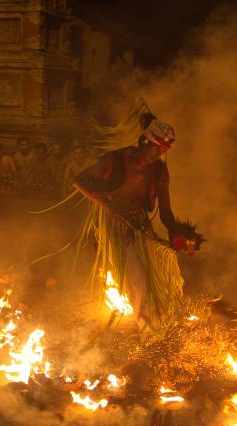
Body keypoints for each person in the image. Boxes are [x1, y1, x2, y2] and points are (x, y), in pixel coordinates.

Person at [73, 110, 203, 328]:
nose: (158, 154)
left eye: (162, 150)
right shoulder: (115, 159)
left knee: (164, 278)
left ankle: (158, 319)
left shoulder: (160, 171)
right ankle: (144, 324)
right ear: (144, 140)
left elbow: (165, 211)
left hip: (141, 224)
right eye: (155, 148)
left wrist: (179, 234)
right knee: (138, 276)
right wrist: (108, 205)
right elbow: (80, 180)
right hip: (114, 224)